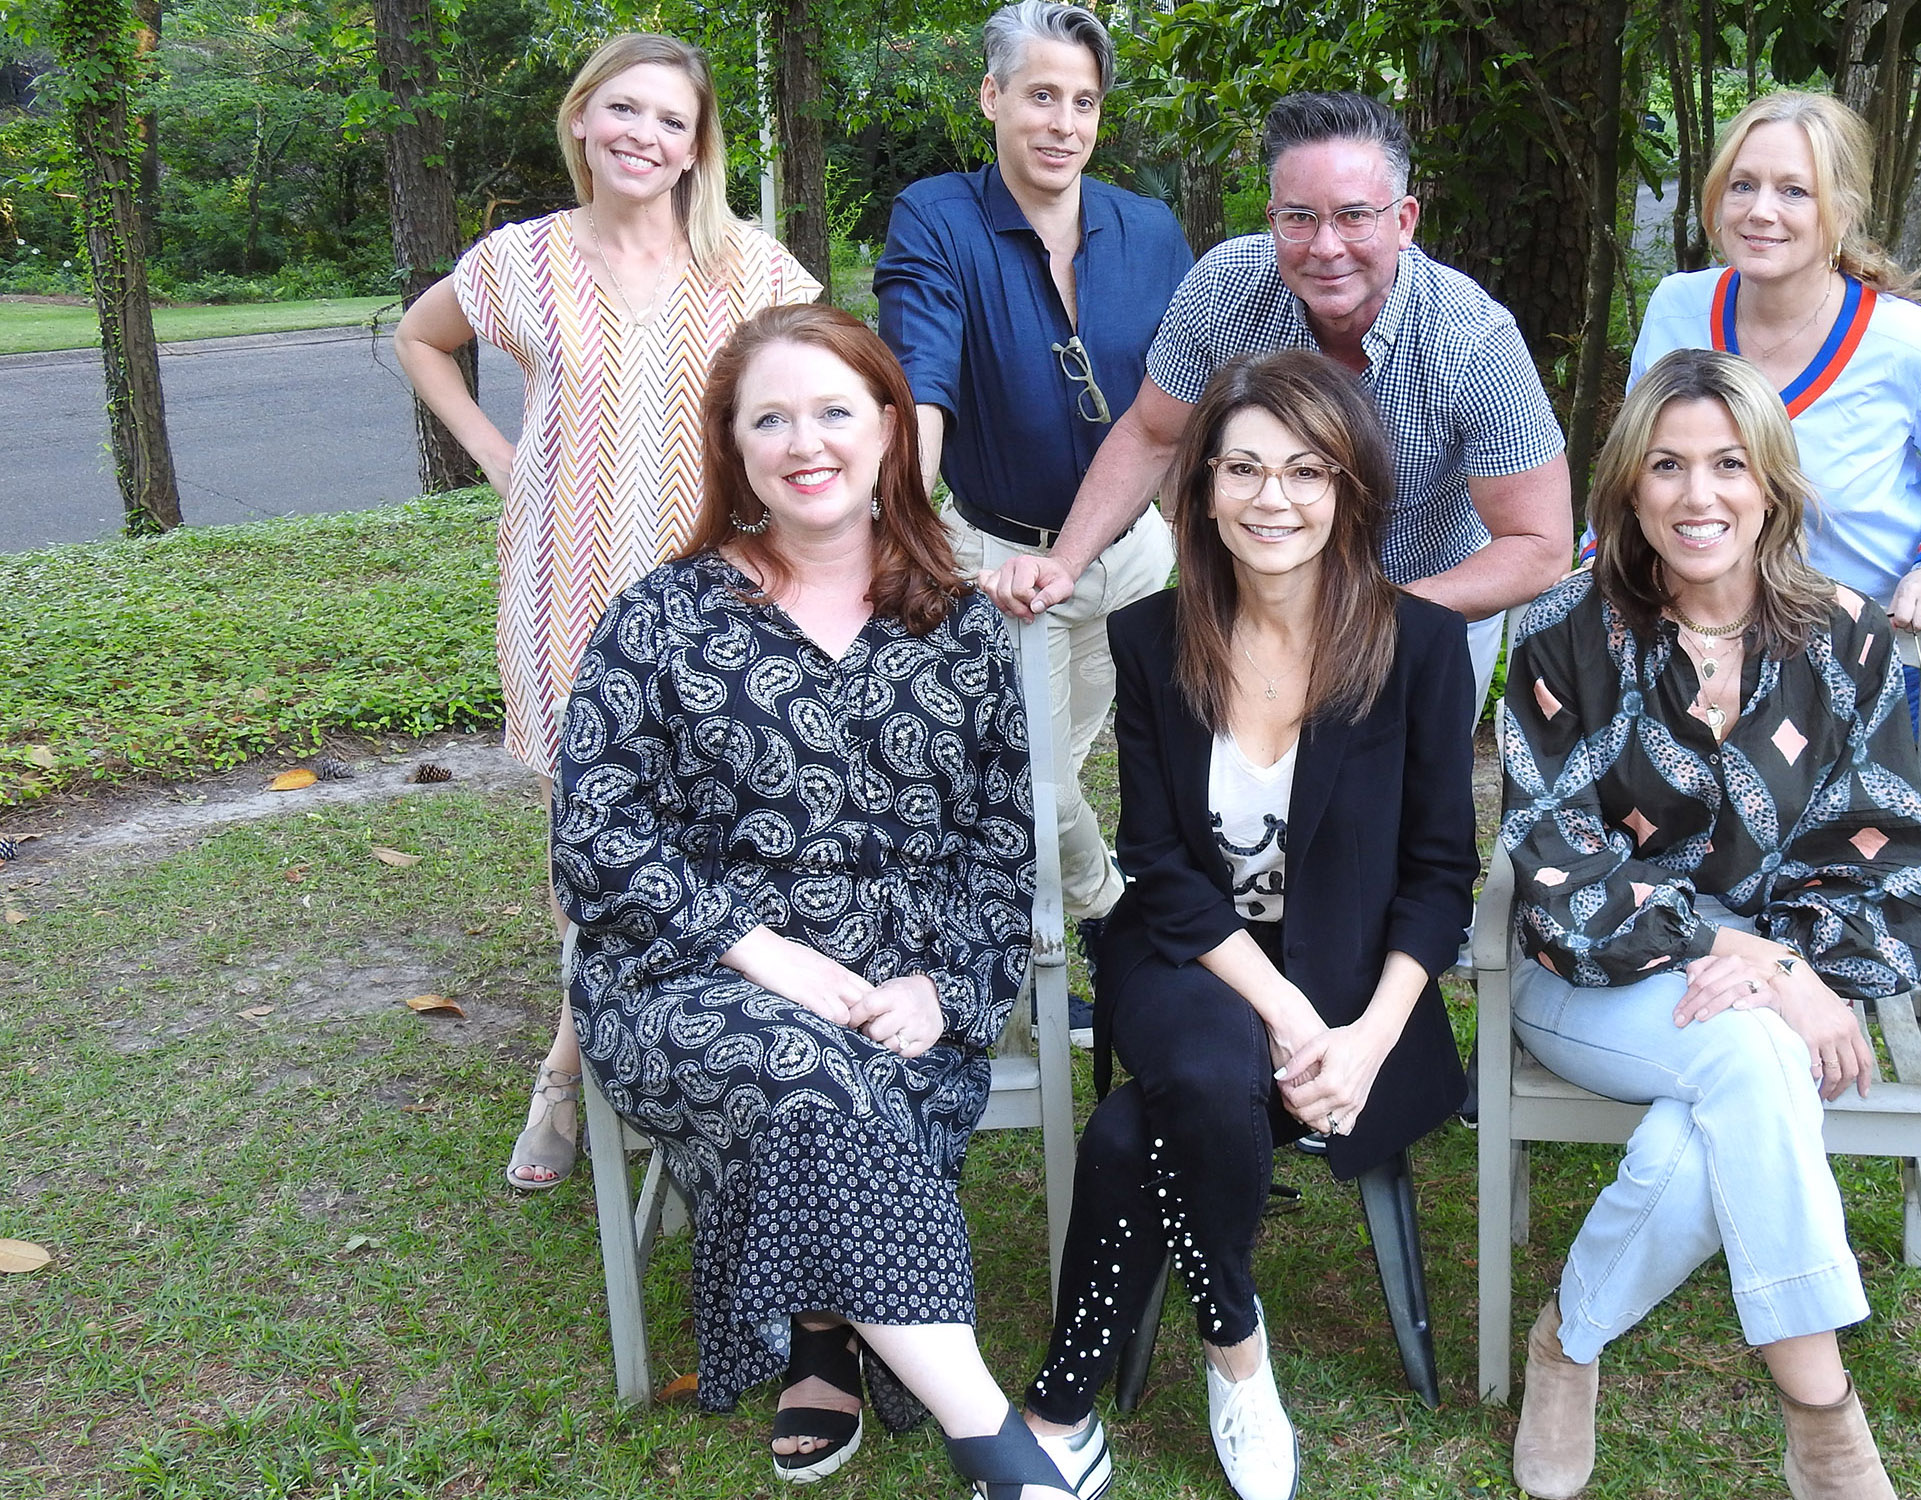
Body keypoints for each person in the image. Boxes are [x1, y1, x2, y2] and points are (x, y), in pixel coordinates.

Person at [553, 302, 1073, 1498]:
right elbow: (593, 838)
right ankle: (996, 1443)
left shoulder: (961, 626)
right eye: (770, 419)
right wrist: (764, 954)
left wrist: (943, 992)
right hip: (690, 981)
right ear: (733, 446)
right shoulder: (661, 616)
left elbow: (1001, 851)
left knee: (843, 1078)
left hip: (900, 986)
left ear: (890, 428)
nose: (806, 443)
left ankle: (826, 1336)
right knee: (807, 1072)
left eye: (835, 411)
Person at [1014, 350, 1479, 1500]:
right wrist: (1285, 1017)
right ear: (1206, 491)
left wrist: (1360, 1041)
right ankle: (1236, 1348)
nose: (1275, 499)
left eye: (1306, 471)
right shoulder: (1150, 638)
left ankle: (1060, 1406)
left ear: (1350, 489)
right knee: (1209, 1070)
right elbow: (1161, 867)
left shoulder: (1420, 646)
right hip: (1192, 950)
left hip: (1358, 978)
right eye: (1245, 470)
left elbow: (1439, 878)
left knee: (1137, 1129)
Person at [1499, 349, 1921, 1500]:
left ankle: (1568, 1339)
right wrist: (1750, 957)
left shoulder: (1847, 641)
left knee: (1733, 1085)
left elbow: (1879, 840)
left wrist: (1789, 965)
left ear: (1772, 483)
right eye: (1668, 466)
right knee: (1755, 1051)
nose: (1700, 495)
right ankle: (1824, 1415)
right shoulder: (1563, 636)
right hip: (1592, 975)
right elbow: (1557, 864)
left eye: (1729, 465)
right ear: (1629, 490)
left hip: (1782, 981)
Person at [393, 33, 823, 1193]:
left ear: (696, 147)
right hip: (564, 589)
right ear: (582, 119)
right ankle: (568, 1072)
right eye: (624, 110)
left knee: (716, 824)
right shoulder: (519, 261)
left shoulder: (752, 272)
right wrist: (498, 454)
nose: (645, 135)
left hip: (716, 598)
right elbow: (420, 338)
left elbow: (824, 395)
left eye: (672, 120)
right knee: (588, 836)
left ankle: (671, 1048)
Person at [984, 90, 1570, 720]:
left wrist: (1377, 612)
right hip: (1253, 606)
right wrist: (1065, 561)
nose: (1326, 247)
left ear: (1403, 221)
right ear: (1272, 219)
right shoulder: (1225, 287)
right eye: (1299, 218)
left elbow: (1539, 542)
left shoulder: (1473, 338)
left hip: (1422, 602)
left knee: (1405, 780)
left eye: (1354, 216)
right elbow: (1153, 435)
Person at [874, 0, 1191, 1046]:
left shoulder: (1150, 232)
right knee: (1027, 786)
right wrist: (903, 525)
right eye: (1041, 95)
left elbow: (1188, 401)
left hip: (1136, 559)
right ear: (992, 96)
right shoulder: (936, 216)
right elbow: (921, 380)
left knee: (1084, 775)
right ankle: (1118, 920)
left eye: (1083, 102)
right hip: (1005, 568)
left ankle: (1035, 954)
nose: (1062, 123)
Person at [1627, 90, 1921, 647]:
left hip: (1860, 648)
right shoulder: (1676, 309)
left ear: (1842, 212)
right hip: (1693, 642)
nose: (1761, 210)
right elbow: (1634, 464)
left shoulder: (1907, 344)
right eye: (1743, 185)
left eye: (1794, 191)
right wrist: (1599, 561)